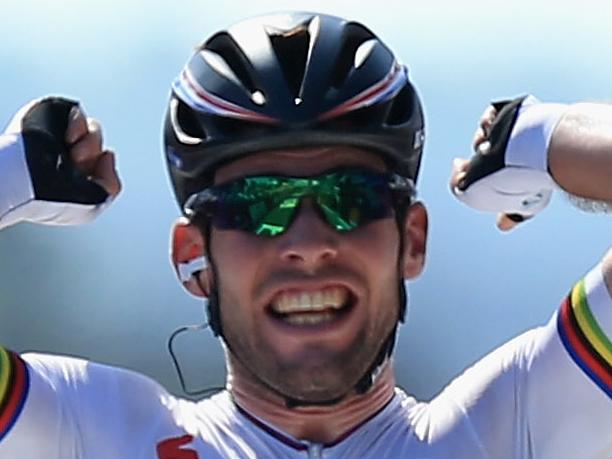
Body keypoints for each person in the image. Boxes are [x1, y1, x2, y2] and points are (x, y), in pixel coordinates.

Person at [0, 11, 610, 459]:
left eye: (352, 199)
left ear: (412, 240)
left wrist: (545, 135)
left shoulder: (514, 426)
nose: (310, 242)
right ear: (194, 259)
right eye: (256, 206)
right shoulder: (85, 433)